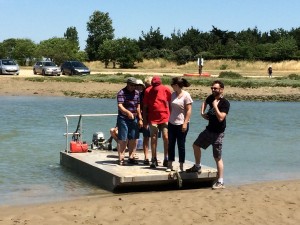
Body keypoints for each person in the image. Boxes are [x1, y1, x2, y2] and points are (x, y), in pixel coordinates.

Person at [186, 80, 230, 190]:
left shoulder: (225, 103)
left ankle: (220, 181)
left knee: (217, 157)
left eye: (215, 88)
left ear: (221, 89)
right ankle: (197, 166)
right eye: (212, 88)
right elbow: (204, 102)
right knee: (196, 145)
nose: (213, 90)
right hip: (208, 130)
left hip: (218, 134)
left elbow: (221, 118)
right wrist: (202, 113)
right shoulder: (211, 98)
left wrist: (215, 106)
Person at [143, 76, 171, 168]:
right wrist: (145, 121)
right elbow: (145, 107)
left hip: (165, 117)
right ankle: (153, 158)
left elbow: (170, 104)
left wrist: (171, 117)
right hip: (152, 118)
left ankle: (166, 158)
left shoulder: (166, 90)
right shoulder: (148, 91)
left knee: (166, 137)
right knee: (153, 137)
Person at [166, 77, 193, 172]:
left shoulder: (186, 95)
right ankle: (170, 164)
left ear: (176, 85)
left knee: (181, 145)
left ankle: (181, 165)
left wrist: (185, 123)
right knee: (171, 144)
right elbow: (170, 107)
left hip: (182, 123)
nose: (171, 87)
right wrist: (168, 118)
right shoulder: (172, 95)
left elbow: (189, 110)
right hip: (172, 122)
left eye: (172, 85)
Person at [116, 77, 143, 165]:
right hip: (123, 118)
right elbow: (120, 106)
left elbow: (138, 106)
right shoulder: (121, 92)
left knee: (134, 137)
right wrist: (127, 112)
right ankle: (121, 157)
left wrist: (140, 118)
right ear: (127, 84)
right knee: (123, 138)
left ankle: (131, 156)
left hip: (134, 118)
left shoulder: (137, 93)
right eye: (131, 85)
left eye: (134, 85)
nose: (133, 87)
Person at [136, 77, 151, 164]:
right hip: (140, 117)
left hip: (150, 118)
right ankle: (133, 154)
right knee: (135, 136)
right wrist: (141, 118)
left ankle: (147, 157)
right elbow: (139, 107)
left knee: (147, 137)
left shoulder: (149, 93)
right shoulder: (140, 95)